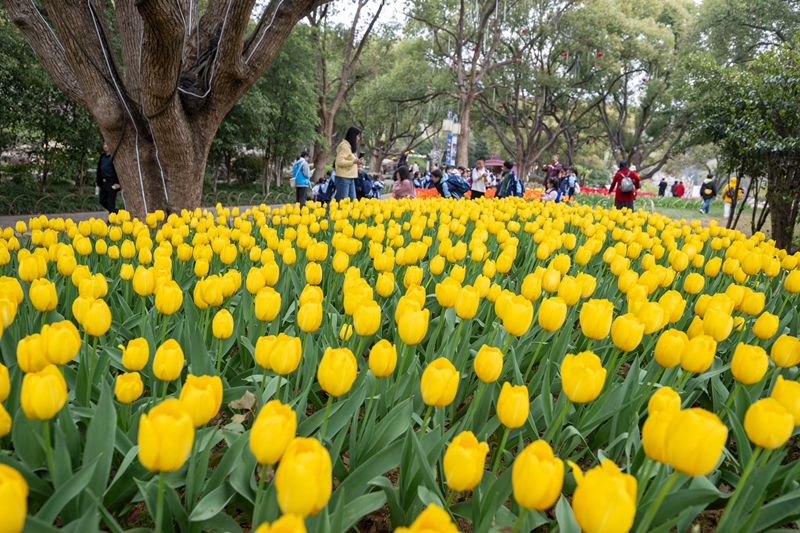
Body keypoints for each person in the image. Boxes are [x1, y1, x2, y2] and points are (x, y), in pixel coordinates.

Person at [335, 126, 363, 201]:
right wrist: (353, 162)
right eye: (358, 136)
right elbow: (339, 162)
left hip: (350, 177)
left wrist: (357, 163)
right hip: (343, 178)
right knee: (343, 203)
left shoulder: (349, 146)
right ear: (353, 136)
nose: (359, 138)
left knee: (353, 202)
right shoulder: (344, 146)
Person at [96, 143, 121, 214]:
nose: (105, 146)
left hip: (111, 182)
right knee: (102, 200)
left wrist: (117, 182)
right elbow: (99, 170)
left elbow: (117, 170)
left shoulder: (113, 157)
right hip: (104, 182)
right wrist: (97, 181)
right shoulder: (102, 156)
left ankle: (111, 220)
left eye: (107, 144)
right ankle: (116, 211)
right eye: (104, 144)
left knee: (111, 201)